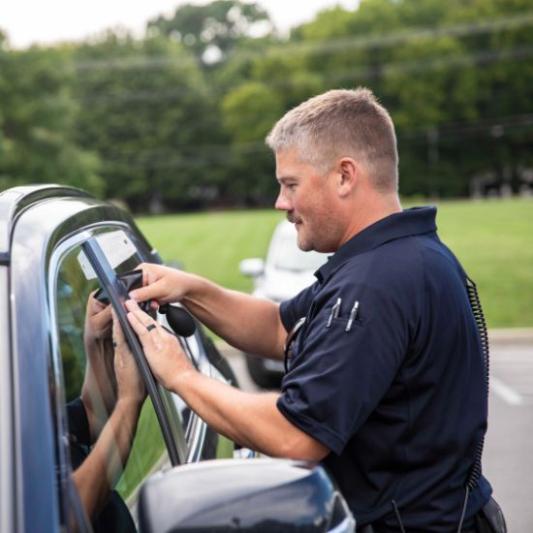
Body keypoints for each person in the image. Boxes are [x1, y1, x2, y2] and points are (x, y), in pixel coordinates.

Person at [118, 88, 500, 531]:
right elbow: (281, 329)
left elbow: (294, 436)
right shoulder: (396, 257)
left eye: (290, 184)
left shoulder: (378, 285)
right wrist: (191, 291)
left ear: (344, 176)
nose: (281, 202)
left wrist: (181, 376)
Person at [67, 293, 146, 531]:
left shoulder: (18, 418)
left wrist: (94, 341)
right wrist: (129, 401)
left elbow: (93, 416)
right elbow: (64, 519)